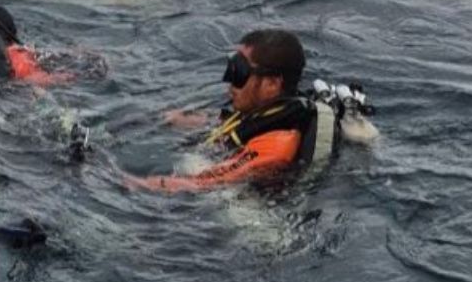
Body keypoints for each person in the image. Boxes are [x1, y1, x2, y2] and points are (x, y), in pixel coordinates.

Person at [125, 29, 336, 192]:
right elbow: (226, 123)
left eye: (240, 72)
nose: (230, 83)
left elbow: (205, 183)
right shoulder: (262, 111)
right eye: (232, 68)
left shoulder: (278, 143)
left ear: (272, 84)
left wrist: (136, 184)